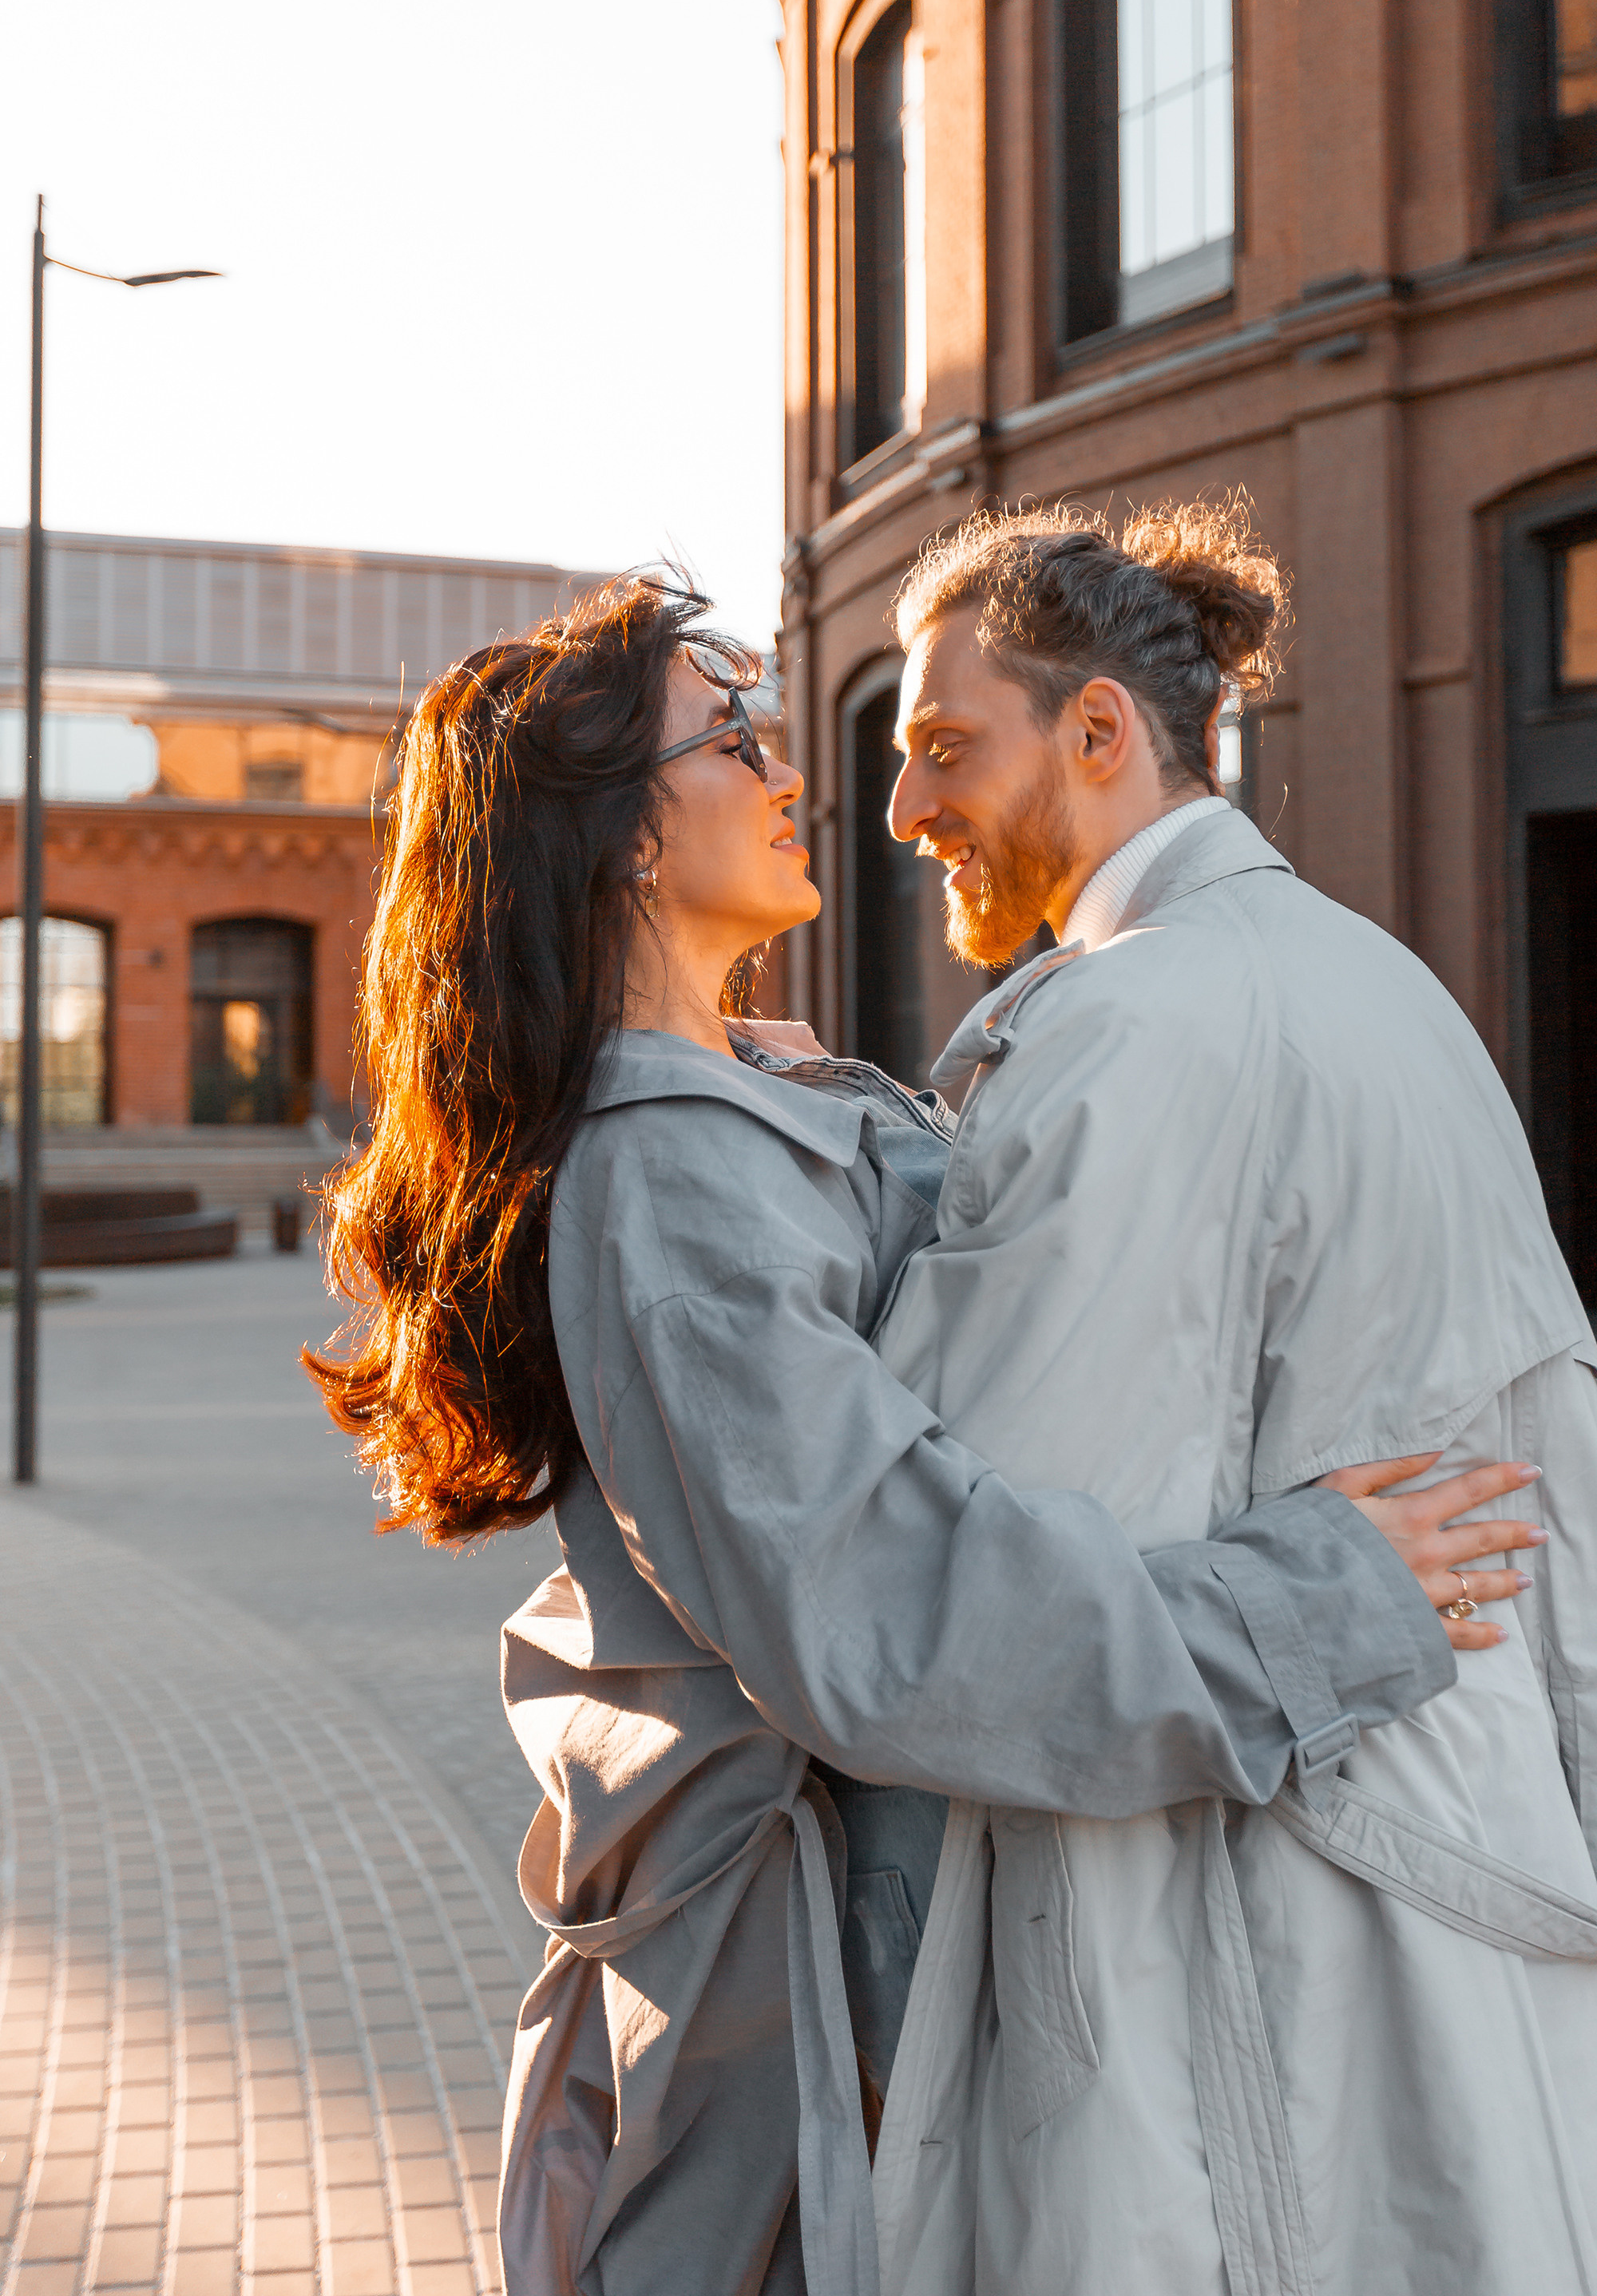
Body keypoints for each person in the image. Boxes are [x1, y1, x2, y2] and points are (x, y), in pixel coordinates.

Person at [308, 576, 1540, 2296]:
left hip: (856, 1960)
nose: (801, 779)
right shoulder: (666, 1185)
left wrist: (816, 1105)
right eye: (733, 739)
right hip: (802, 2037)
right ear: (624, 840)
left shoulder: (730, 1116)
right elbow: (901, 1619)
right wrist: (1323, 1601)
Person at [871, 501, 1597, 2296]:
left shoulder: (1133, 1030)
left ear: (1101, 731)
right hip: (1464, 1899)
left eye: (944, 749)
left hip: (1235, 1959)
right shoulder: (1385, 985)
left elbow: (1001, 1584)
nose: (904, 814)